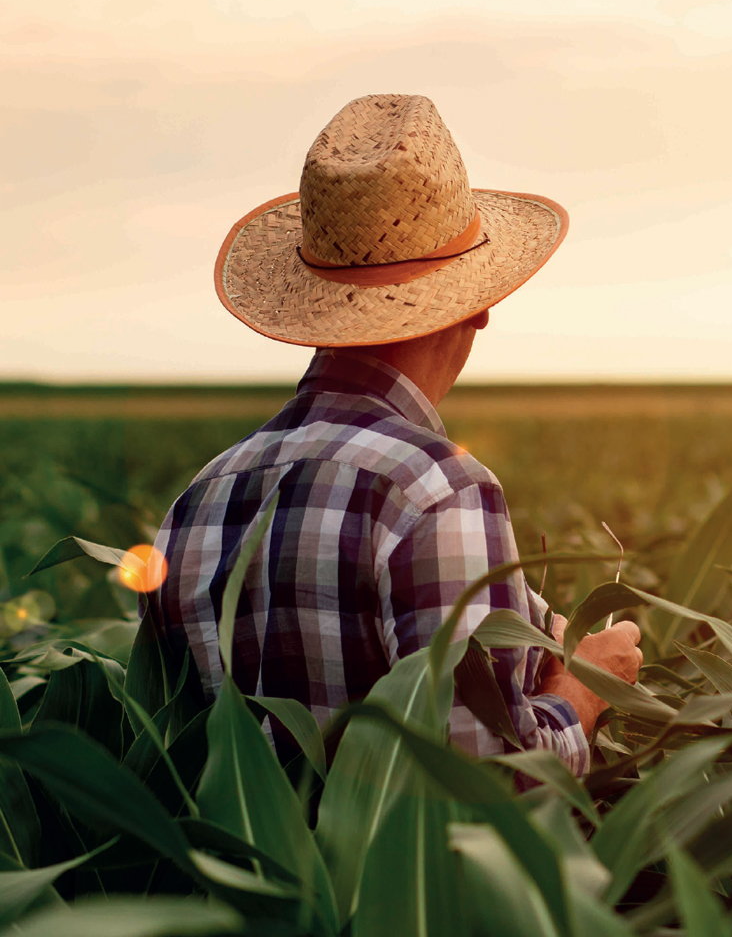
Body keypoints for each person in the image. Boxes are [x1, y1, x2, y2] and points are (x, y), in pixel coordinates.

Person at [147, 93, 642, 774]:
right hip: (402, 886)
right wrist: (582, 688)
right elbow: (489, 788)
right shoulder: (439, 488)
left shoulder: (197, 501)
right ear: (481, 306)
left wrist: (535, 642)